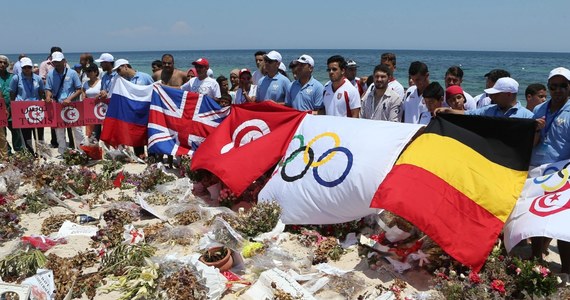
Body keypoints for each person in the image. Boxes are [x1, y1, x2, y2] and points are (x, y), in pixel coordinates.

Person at [530, 67, 570, 275]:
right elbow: (532, 142)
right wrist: (535, 129)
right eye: (553, 86)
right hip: (538, 172)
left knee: (562, 224)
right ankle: (535, 261)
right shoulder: (539, 109)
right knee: (536, 218)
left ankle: (566, 268)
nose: (558, 90)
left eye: (563, 85)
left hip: (563, 175)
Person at [44, 51, 85, 155]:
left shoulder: (72, 73)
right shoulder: (50, 74)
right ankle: (63, 153)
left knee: (77, 131)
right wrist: (48, 96)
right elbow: (48, 88)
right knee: (59, 132)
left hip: (72, 106)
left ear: (64, 61)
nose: (56, 64)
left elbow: (79, 89)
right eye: (54, 62)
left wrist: (70, 98)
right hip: (58, 105)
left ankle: (81, 151)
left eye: (58, 61)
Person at [113, 58, 154, 158]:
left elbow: (154, 90)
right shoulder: (123, 82)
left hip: (146, 112)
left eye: (119, 70)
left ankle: (153, 157)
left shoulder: (145, 77)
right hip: (133, 114)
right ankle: (140, 156)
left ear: (125, 66)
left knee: (149, 135)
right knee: (136, 135)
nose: (118, 73)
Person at [435, 77, 533, 119]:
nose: (491, 96)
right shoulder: (488, 110)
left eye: (496, 94)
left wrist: (536, 129)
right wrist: (447, 111)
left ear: (508, 94)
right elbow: (467, 114)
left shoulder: (528, 117)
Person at [9, 57, 45, 155]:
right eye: (25, 67)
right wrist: (13, 106)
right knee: (26, 133)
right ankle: (30, 153)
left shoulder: (38, 78)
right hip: (22, 109)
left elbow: (41, 91)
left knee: (39, 132)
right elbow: (12, 93)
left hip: (36, 108)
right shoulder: (16, 78)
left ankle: (41, 153)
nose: (27, 69)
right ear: (21, 68)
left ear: (32, 67)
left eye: (29, 67)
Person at [0, 55, 24, 154]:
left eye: (4, 63)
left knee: (16, 131)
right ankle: (7, 152)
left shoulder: (13, 77)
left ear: (7, 65)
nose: (2, 64)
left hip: (12, 108)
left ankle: (18, 151)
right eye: (0, 62)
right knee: (2, 133)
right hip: (1, 109)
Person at [82, 64, 102, 139]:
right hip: (90, 110)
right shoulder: (85, 84)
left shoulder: (101, 82)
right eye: (86, 71)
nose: (87, 73)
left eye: (89, 71)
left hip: (100, 110)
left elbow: (105, 93)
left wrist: (99, 95)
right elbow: (84, 95)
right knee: (91, 133)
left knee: (100, 131)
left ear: (96, 72)